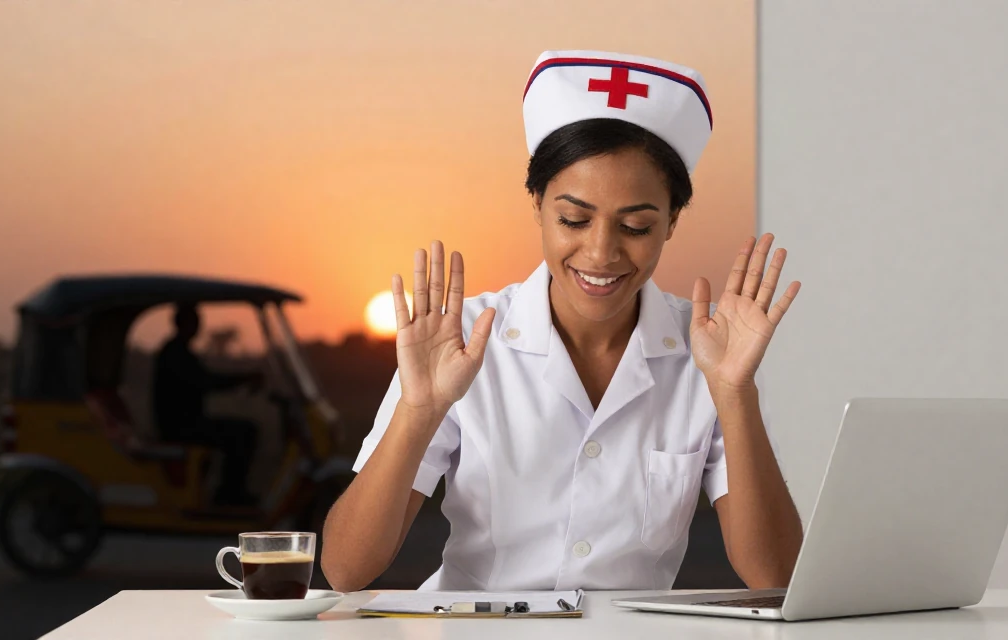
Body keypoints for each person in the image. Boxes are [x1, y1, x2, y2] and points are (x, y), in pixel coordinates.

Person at [322, 50, 803, 592]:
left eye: (637, 227)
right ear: (537, 204)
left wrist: (735, 392)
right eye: (574, 218)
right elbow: (346, 570)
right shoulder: (460, 338)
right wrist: (420, 408)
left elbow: (776, 576)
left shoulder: (708, 353)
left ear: (672, 222)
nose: (600, 253)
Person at [152, 304, 263, 507]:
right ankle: (230, 495)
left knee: (240, 431)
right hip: (180, 427)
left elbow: (205, 380)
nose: (198, 327)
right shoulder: (175, 354)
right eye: (194, 322)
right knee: (244, 433)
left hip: (185, 423)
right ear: (183, 324)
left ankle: (229, 492)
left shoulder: (179, 351)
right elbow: (206, 381)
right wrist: (245, 378)